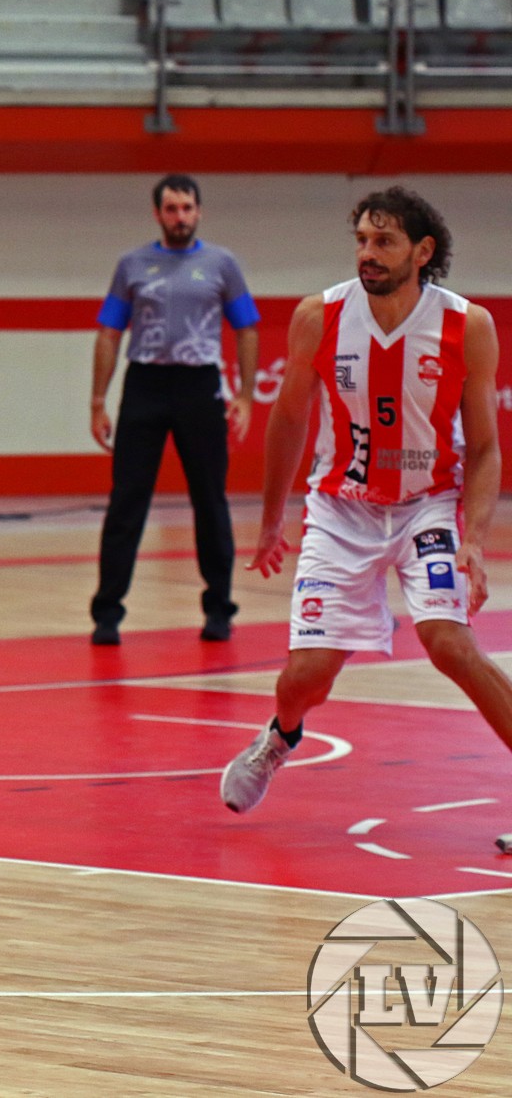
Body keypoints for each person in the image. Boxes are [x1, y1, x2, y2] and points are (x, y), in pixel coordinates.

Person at [223, 188, 512, 846]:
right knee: (307, 677)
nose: (367, 253)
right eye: (360, 240)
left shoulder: (467, 325)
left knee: (451, 644)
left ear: (422, 251)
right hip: (341, 510)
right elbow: (289, 418)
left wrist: (473, 540)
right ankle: (281, 735)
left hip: (427, 504)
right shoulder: (319, 316)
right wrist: (270, 521)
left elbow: (486, 447)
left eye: (383, 241)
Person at [89, 175, 260, 646]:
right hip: (144, 384)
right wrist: (98, 402)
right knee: (127, 501)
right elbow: (109, 333)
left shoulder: (222, 264)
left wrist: (245, 395)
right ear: (157, 214)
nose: (180, 217)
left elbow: (247, 329)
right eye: (171, 209)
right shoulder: (131, 265)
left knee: (209, 499)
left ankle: (219, 609)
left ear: (199, 211)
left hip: (198, 385)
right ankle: (107, 614)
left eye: (187, 208)